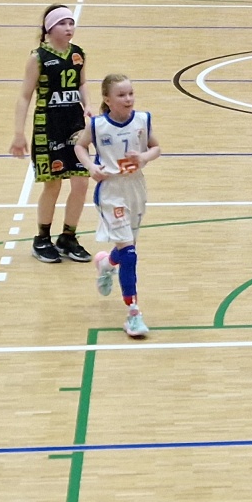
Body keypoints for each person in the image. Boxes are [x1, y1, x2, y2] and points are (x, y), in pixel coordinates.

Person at [74, 74, 161, 340]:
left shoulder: (142, 120)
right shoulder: (97, 125)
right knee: (130, 254)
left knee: (126, 248)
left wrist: (143, 157)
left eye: (131, 93)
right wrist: (91, 167)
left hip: (135, 188)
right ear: (107, 99)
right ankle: (133, 313)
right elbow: (80, 146)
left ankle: (107, 263)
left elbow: (156, 148)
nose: (128, 99)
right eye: (121, 95)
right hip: (111, 191)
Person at [9, 5, 92, 263]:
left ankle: (68, 237)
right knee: (53, 184)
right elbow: (24, 97)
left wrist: (88, 105)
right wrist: (18, 133)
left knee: (81, 182)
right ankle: (42, 238)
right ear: (49, 28)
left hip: (75, 126)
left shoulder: (78, 54)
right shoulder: (38, 57)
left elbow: (82, 83)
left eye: (71, 23)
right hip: (49, 126)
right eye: (63, 23)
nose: (69, 28)